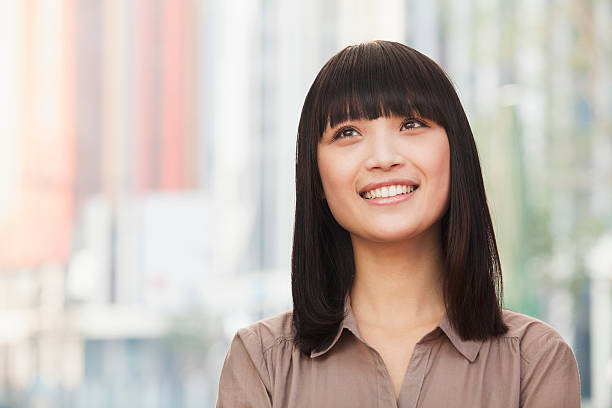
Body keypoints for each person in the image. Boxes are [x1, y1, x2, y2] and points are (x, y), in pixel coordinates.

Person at [216, 40, 581, 407]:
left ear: (457, 153)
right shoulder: (261, 362)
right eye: (347, 132)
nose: (383, 158)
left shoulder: (534, 361)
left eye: (411, 124)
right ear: (317, 177)